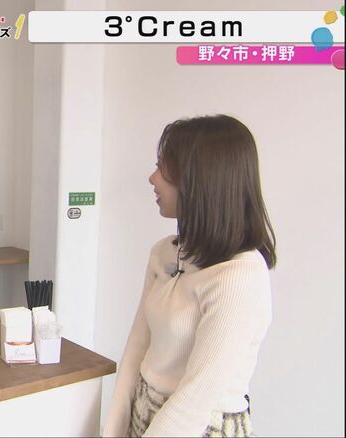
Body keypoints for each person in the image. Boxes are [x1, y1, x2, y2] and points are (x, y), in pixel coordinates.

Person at [103, 115, 276, 437]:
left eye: (163, 168)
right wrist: (113, 430)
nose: (152, 178)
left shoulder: (240, 276)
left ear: (201, 180)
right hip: (144, 416)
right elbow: (137, 349)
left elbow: (196, 398)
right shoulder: (164, 252)